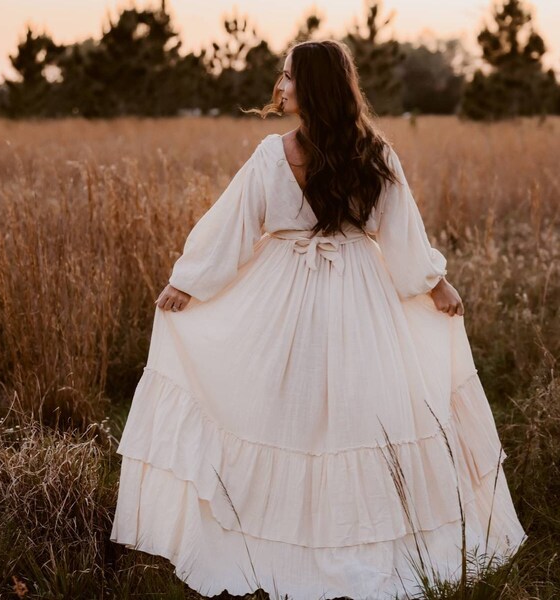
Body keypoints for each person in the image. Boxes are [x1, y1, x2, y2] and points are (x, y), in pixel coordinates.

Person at [110, 40, 527, 600]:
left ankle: (348, 535)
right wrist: (189, 281)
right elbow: (234, 224)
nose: (278, 87)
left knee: (353, 411)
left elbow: (401, 231)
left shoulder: (372, 154)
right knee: (290, 411)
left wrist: (436, 283)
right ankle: (283, 532)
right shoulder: (314, 153)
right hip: (312, 293)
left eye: (286, 77)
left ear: (311, 87)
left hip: (337, 295)